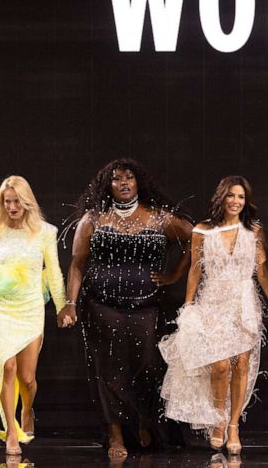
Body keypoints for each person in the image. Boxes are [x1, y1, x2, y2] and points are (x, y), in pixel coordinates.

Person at [58, 158, 192, 459]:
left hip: (147, 307)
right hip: (100, 306)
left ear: (138, 182)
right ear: (109, 185)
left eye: (129, 178)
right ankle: (115, 435)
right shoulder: (94, 219)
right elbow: (77, 265)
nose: (123, 183)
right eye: (117, 179)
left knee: (147, 367)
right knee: (107, 372)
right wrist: (70, 304)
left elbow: (195, 238)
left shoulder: (158, 218)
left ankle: (145, 421)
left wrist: (173, 276)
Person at [159, 176, 268, 454]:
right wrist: (188, 308)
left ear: (246, 201)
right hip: (212, 303)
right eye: (231, 196)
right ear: (221, 198)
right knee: (220, 365)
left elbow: (261, 271)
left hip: (244, 305)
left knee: (241, 366)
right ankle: (218, 419)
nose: (235, 201)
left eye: (240, 196)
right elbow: (195, 269)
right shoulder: (203, 230)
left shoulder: (254, 231)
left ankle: (234, 425)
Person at [0, 175, 67, 455]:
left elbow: (54, 272)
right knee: (7, 368)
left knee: (28, 378)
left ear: (27, 201)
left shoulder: (45, 231)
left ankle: (27, 411)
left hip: (30, 308)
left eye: (16, 201)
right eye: (7, 201)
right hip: (0, 309)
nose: (11, 206)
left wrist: (61, 306)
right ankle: (11, 431)